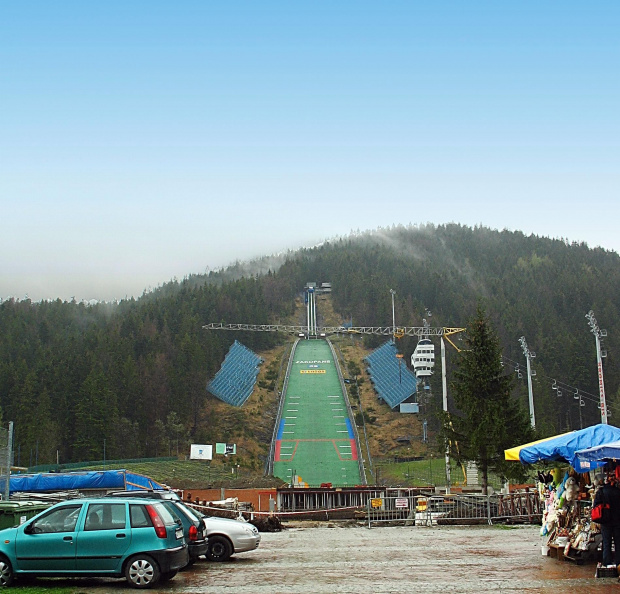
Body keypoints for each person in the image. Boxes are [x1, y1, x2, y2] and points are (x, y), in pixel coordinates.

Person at [593, 474, 620, 568]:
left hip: (606, 520)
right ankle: (618, 563)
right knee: (618, 542)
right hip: (617, 520)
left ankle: (607, 562)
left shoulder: (601, 492)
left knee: (606, 542)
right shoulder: (618, 491)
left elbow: (595, 505)